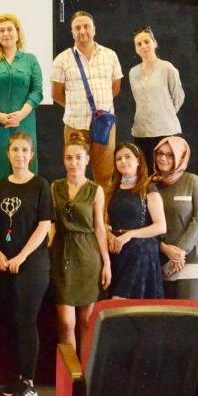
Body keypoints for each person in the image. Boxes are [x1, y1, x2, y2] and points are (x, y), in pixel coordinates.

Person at [0, 131, 52, 396]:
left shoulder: (40, 185)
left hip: (32, 264)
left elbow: (44, 226)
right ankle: (16, 377)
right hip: (4, 264)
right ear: (8, 153)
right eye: (15, 150)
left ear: (31, 154)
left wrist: (22, 257)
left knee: (26, 319)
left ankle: (29, 383)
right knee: (11, 320)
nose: (19, 155)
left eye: (25, 150)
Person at [50, 134, 111, 349]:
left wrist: (106, 263)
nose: (73, 162)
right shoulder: (55, 187)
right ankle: (69, 368)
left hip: (87, 255)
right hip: (62, 253)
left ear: (87, 160)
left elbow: (99, 228)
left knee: (86, 321)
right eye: (69, 158)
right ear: (63, 160)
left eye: (78, 157)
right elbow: (51, 223)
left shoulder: (95, 190)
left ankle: (85, 368)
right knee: (66, 322)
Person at [51, 11, 123, 190]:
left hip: (104, 125)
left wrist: (99, 110)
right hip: (75, 125)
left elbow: (115, 88)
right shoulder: (62, 59)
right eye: (77, 28)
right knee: (75, 173)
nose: (82, 31)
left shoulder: (110, 56)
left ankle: (102, 209)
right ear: (72, 33)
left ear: (94, 30)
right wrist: (76, 107)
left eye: (86, 27)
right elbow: (56, 93)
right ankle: (76, 209)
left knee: (105, 176)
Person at [0, 15, 43, 195]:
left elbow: (37, 91)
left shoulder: (30, 60)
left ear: (18, 33)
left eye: (10, 29)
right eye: (2, 31)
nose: (6, 34)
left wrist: (21, 114)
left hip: (23, 123)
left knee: (23, 165)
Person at [153, 137, 198, 303]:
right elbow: (145, 224)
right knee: (168, 317)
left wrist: (179, 252)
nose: (163, 158)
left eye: (170, 155)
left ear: (181, 157)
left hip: (194, 259)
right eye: (159, 153)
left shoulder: (192, 181)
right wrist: (165, 249)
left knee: (191, 316)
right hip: (163, 261)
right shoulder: (150, 185)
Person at [105, 143, 166, 300]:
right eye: (119, 158)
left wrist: (129, 235)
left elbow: (161, 226)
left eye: (127, 157)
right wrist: (108, 234)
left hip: (141, 253)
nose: (123, 161)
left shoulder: (148, 188)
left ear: (138, 160)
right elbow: (106, 221)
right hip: (117, 252)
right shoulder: (112, 190)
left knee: (122, 303)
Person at [128, 28, 185, 161]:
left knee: (165, 169)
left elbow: (178, 97)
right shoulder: (133, 72)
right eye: (139, 44)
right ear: (136, 49)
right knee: (145, 170)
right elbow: (138, 100)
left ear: (155, 43)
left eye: (147, 42)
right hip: (141, 131)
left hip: (165, 130)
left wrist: (166, 113)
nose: (143, 46)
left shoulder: (167, 68)